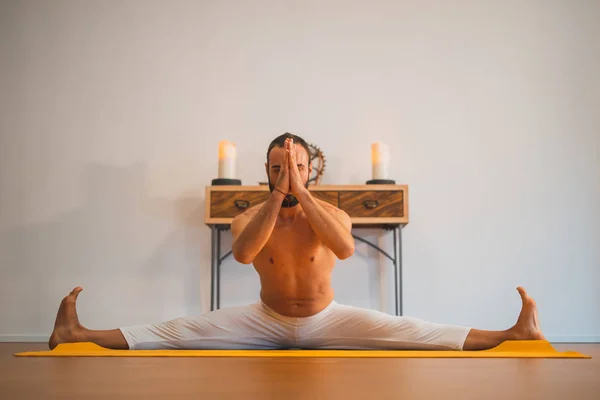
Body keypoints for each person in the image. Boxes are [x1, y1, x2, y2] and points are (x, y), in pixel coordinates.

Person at [49, 133, 545, 351]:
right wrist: (281, 192)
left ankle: (514, 334)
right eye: (279, 168)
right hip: (263, 320)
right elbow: (244, 254)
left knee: (414, 330)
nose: (288, 173)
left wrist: (300, 191)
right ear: (266, 172)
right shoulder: (248, 215)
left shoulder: (332, 213)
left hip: (328, 319)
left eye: (299, 166)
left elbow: (346, 250)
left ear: (313, 169)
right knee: (178, 329)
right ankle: (76, 334)